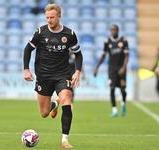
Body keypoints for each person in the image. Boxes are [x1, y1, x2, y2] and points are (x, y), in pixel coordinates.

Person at [23, 3, 83, 148]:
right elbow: (27, 49)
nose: (49, 20)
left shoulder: (70, 34)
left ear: (59, 17)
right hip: (43, 76)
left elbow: (78, 55)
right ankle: (55, 104)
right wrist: (26, 69)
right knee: (44, 113)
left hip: (62, 75)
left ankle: (64, 140)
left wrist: (77, 71)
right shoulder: (40, 32)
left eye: (52, 17)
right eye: (47, 17)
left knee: (67, 99)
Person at [93, 24, 129, 117]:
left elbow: (126, 56)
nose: (113, 31)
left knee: (122, 90)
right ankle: (114, 110)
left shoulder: (123, 41)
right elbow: (103, 56)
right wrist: (97, 68)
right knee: (112, 89)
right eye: (111, 30)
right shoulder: (107, 42)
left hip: (121, 69)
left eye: (114, 30)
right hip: (112, 70)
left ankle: (123, 105)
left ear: (118, 31)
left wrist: (124, 67)